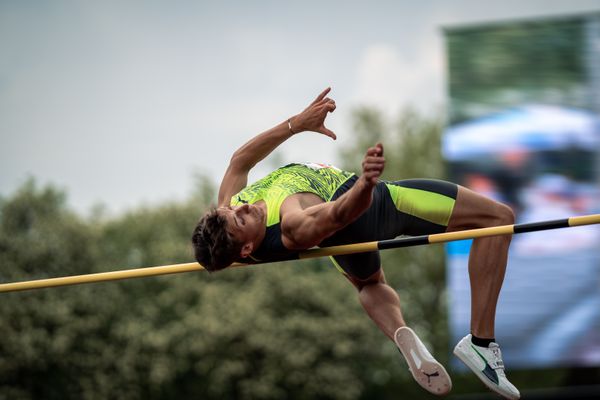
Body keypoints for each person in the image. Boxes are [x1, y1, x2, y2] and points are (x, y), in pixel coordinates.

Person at [191, 88, 520, 399]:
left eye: (234, 208)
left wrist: (296, 124)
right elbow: (336, 215)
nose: (244, 207)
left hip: (346, 238)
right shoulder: (290, 225)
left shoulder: (230, 213)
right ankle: (481, 341)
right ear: (246, 249)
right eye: (242, 219)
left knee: (369, 284)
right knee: (497, 219)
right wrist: (365, 184)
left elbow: (239, 161)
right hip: (372, 204)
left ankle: (401, 333)